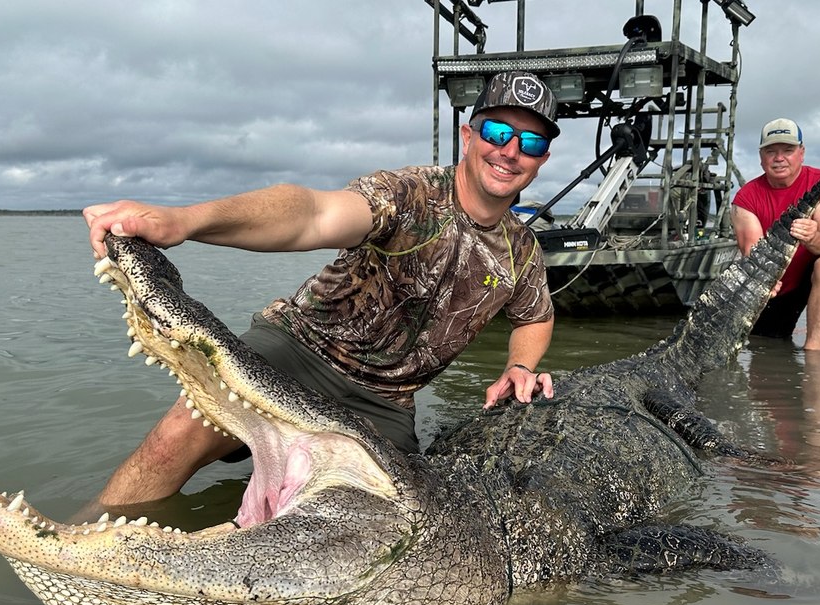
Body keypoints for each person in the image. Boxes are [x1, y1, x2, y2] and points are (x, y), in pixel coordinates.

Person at [80, 70, 559, 511]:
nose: (510, 151)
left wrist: (520, 366)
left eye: (530, 142)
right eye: (498, 133)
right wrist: (185, 220)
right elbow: (312, 214)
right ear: (468, 136)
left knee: (401, 515)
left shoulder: (521, 250)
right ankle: (83, 542)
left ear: (542, 159)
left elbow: (536, 315)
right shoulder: (409, 194)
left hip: (385, 401)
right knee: (178, 435)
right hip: (298, 349)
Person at [730, 118, 820, 350]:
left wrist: (814, 236)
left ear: (801, 153)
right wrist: (765, 280)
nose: (779, 158)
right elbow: (754, 255)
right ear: (761, 156)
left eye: (788, 150)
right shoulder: (745, 199)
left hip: (818, 270)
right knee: (765, 347)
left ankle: (814, 354)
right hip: (779, 284)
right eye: (771, 151)